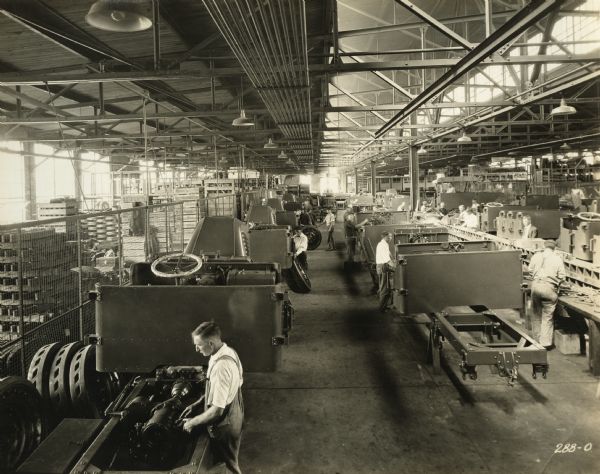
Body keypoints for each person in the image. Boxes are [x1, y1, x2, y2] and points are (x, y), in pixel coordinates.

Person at [181, 322, 244, 474]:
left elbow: (217, 410)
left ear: (210, 343)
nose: (196, 349)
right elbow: (227, 388)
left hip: (225, 424)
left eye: (199, 345)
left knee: (229, 466)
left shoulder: (221, 368)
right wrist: (197, 403)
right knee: (226, 462)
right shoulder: (227, 352)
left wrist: (192, 423)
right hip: (236, 412)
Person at [528, 240, 567, 349]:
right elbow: (562, 277)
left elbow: (530, 270)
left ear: (544, 247)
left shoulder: (536, 256)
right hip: (549, 289)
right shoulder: (557, 258)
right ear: (554, 248)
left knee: (536, 315)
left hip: (536, 287)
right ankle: (545, 344)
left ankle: (536, 342)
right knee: (547, 317)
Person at [375, 231, 396, 312]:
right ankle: (381, 308)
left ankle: (384, 305)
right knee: (384, 288)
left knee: (385, 287)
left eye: (391, 237)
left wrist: (393, 258)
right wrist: (395, 266)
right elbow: (387, 260)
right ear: (384, 237)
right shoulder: (382, 245)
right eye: (389, 237)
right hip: (383, 267)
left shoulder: (384, 244)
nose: (390, 238)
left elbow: (389, 253)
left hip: (382, 266)